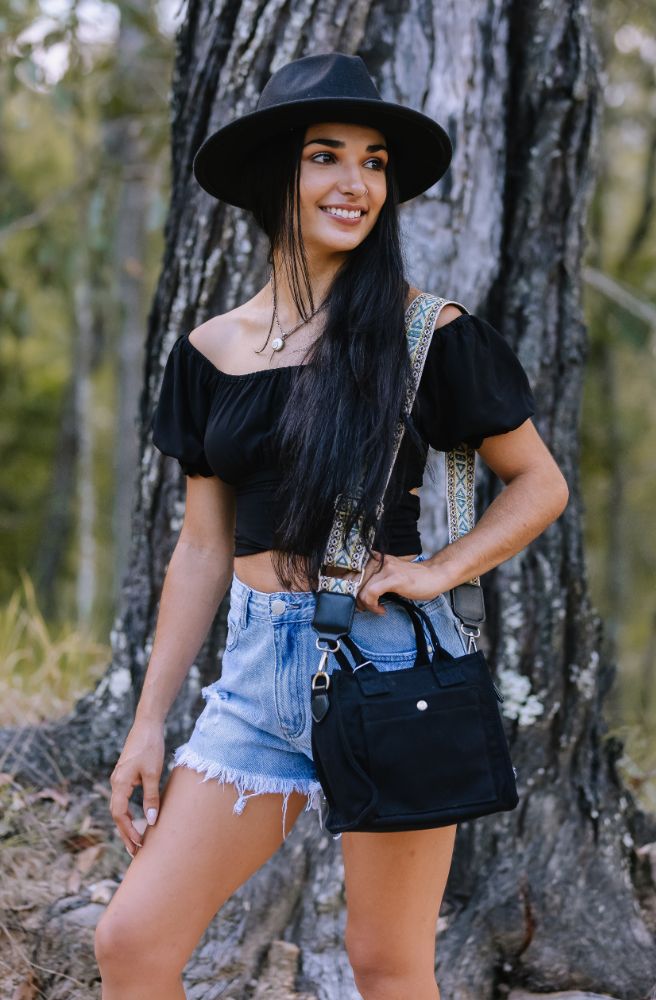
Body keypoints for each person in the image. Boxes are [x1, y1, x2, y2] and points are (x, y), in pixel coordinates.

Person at [94, 52, 569, 1000]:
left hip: (390, 664)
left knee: (387, 965)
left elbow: (538, 484)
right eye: (326, 156)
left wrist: (435, 571)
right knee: (132, 944)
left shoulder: (424, 332)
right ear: (279, 172)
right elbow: (199, 545)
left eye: (375, 162)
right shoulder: (208, 352)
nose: (356, 184)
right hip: (255, 680)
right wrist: (149, 723)